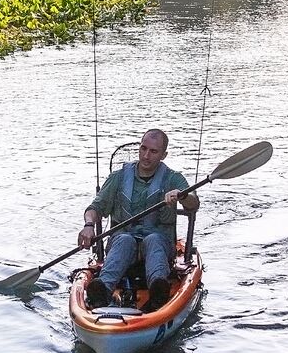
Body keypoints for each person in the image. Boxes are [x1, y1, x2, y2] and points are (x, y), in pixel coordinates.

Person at [76, 128, 199, 309]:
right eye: (143, 148)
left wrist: (182, 196)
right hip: (122, 244)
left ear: (163, 155)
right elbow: (95, 208)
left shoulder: (174, 179)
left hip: (158, 245)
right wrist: (88, 225)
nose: (146, 155)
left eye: (153, 151)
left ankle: (158, 290)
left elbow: (194, 203)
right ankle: (102, 290)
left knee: (153, 239)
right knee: (125, 239)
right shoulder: (118, 177)